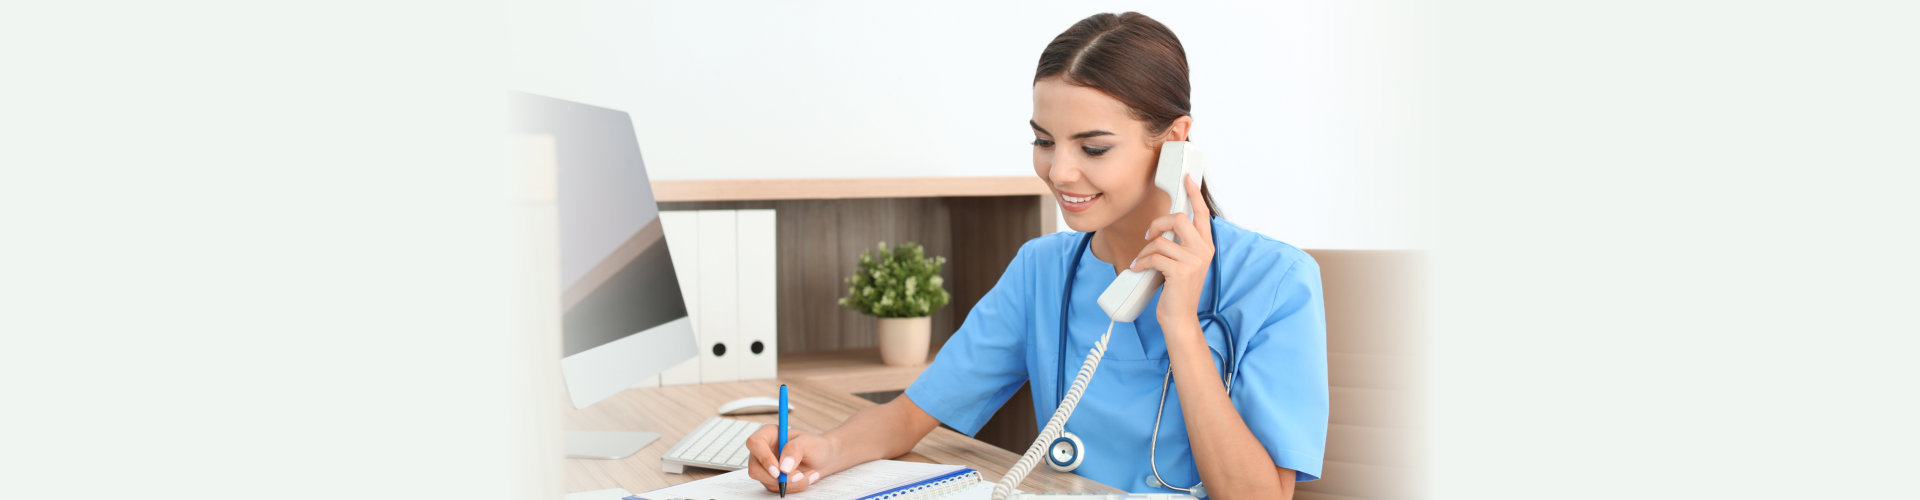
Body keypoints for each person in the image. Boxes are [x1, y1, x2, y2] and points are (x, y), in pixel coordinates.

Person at [743, 12, 1327, 499]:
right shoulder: (1042, 269)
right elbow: (913, 413)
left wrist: (1181, 327)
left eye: (1092, 147)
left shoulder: (1277, 281)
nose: (1060, 171)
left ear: (1175, 144)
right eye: (1043, 141)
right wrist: (824, 452)